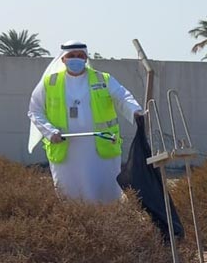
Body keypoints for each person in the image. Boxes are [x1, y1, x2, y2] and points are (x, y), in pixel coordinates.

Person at [28, 40, 144, 203]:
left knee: (106, 194)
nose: (76, 59)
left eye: (80, 56)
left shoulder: (102, 79)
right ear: (63, 59)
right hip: (65, 149)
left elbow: (123, 97)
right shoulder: (50, 83)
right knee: (70, 196)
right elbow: (35, 111)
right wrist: (49, 132)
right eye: (71, 56)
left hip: (100, 148)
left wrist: (136, 111)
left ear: (86, 58)